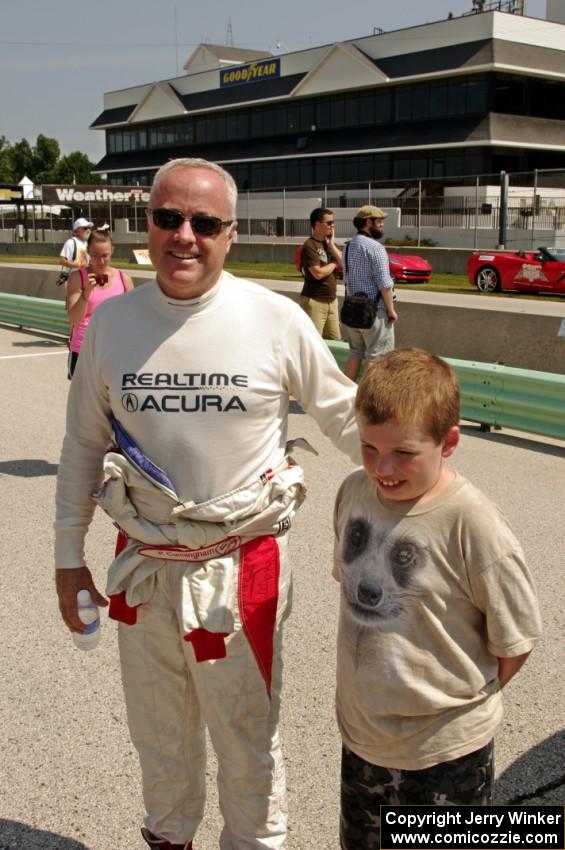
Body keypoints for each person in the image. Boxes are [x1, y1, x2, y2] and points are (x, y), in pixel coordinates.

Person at [54, 157, 360, 850]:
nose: (183, 235)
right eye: (168, 218)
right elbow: (80, 447)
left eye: (203, 222)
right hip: (145, 564)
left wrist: (425, 482)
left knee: (247, 737)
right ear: (147, 226)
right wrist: (66, 559)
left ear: (230, 234)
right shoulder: (112, 324)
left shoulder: (275, 320)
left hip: (241, 567)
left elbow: (347, 420)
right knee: (159, 737)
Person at [332, 348, 542, 850]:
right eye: (368, 447)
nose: (383, 467)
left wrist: (456, 704)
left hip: (448, 753)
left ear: (448, 442)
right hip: (363, 740)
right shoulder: (351, 495)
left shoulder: (474, 524)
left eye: (404, 453)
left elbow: (516, 640)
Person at [66, 229, 134, 378]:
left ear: (112, 251)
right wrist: (87, 292)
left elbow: (132, 320)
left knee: (114, 399)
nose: (101, 261)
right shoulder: (78, 278)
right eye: (95, 256)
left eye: (105, 256)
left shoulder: (124, 279)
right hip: (84, 349)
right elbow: (74, 319)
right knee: (85, 400)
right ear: (88, 251)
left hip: (115, 349)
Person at [341, 205, 397, 381]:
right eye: (379, 221)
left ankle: (348, 396)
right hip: (374, 311)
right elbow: (385, 284)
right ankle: (366, 401)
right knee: (378, 356)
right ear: (367, 222)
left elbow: (347, 277)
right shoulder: (376, 248)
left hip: (352, 309)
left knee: (355, 353)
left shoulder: (348, 247)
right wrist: (391, 310)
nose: (381, 224)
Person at [298, 207, 342, 340]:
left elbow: (343, 262)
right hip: (315, 302)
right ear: (317, 224)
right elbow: (318, 273)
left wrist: (332, 244)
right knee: (314, 343)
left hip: (332, 302)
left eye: (333, 222)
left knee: (335, 342)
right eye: (328, 223)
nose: (332, 226)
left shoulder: (329, 245)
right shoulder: (309, 245)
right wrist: (334, 264)